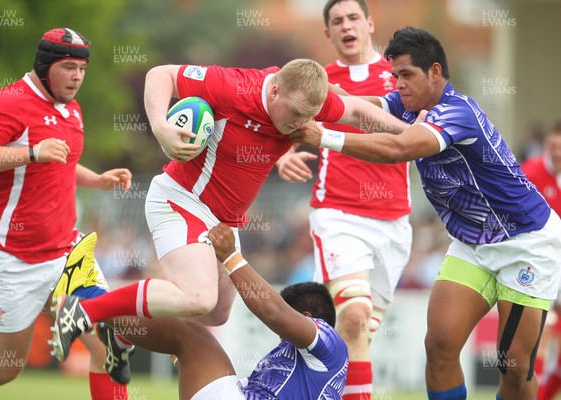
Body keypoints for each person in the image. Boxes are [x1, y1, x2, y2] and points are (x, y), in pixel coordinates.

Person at [48, 57, 411, 362]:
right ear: (274, 90)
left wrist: (416, 133)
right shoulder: (234, 87)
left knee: (217, 312)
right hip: (180, 199)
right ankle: (84, 307)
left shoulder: (306, 101)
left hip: (222, 220)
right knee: (198, 297)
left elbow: (359, 111)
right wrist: (160, 127)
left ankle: (123, 332)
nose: (303, 125)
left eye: (309, 117)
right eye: (298, 114)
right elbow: (161, 75)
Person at [290, 27, 561, 400]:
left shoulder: (458, 111)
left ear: (435, 72)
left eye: (407, 75)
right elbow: (353, 107)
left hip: (525, 243)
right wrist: (300, 96)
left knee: (512, 367)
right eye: (395, 76)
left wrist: (323, 137)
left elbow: (399, 148)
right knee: (439, 344)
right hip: (471, 244)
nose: (398, 84)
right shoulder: (408, 106)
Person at [0, 28, 133, 399]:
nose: (77, 77)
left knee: (109, 347)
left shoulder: (70, 107)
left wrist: (98, 179)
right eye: (68, 67)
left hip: (66, 254)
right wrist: (31, 152)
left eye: (82, 69)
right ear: (44, 67)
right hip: (9, 259)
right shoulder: (10, 102)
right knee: (3, 368)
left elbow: (62, 163)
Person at [276, 2, 411, 398]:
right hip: (338, 215)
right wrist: (282, 154)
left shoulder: (399, 78)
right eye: (337, 21)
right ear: (327, 34)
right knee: (354, 317)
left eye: (353, 18)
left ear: (370, 24)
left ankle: (294, 383)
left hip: (395, 223)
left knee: (357, 334)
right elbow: (277, 120)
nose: (346, 26)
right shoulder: (317, 81)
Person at [56, 223, 350, 399]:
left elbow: (274, 312)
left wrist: (232, 257)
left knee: (191, 335)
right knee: (184, 333)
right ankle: (117, 335)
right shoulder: (313, 372)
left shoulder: (329, 343)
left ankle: (86, 297)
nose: (280, 337)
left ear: (309, 319)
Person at [521, 122, 561, 400]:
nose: (557, 153)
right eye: (552, 147)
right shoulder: (531, 172)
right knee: (539, 335)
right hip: (534, 263)